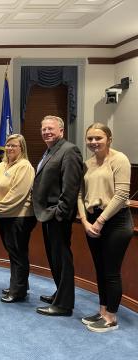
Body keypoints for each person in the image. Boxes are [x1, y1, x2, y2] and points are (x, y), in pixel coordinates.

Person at [78, 123, 133, 332]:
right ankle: (102, 311)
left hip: (116, 221)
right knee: (100, 270)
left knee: (111, 271)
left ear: (109, 138)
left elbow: (121, 195)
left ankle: (111, 318)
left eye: (98, 138)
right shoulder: (87, 163)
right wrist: (85, 221)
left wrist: (100, 221)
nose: (94, 142)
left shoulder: (119, 159)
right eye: (90, 138)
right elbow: (80, 195)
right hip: (92, 221)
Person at [32, 115, 83, 316]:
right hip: (47, 214)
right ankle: (60, 294)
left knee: (62, 259)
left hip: (57, 216)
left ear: (61, 130)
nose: (46, 132)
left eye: (51, 128)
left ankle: (64, 305)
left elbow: (70, 187)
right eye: (44, 129)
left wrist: (59, 213)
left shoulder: (69, 150)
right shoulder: (50, 151)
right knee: (54, 258)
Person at [0, 134, 36, 303]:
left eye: (13, 145)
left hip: (19, 216)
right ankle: (19, 284)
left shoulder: (25, 166)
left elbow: (18, 193)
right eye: (8, 145)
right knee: (13, 253)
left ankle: (18, 291)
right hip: (4, 215)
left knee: (18, 253)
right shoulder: (2, 165)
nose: (9, 148)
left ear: (21, 148)